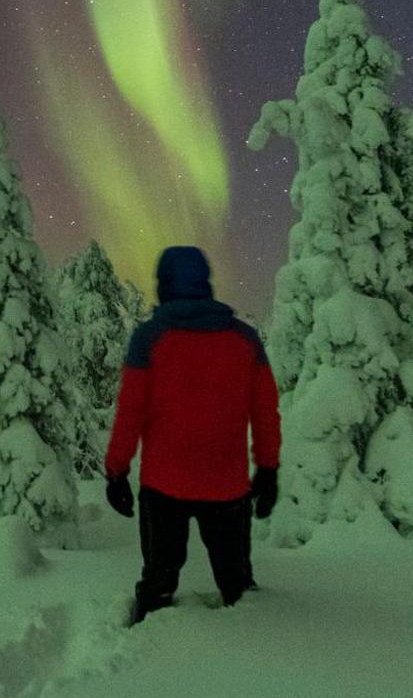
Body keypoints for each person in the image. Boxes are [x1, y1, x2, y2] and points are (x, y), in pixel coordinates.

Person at [104, 245, 280, 624]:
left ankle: (143, 664)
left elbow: (130, 413)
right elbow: (265, 410)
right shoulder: (244, 339)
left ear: (164, 286)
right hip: (227, 488)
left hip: (163, 488)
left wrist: (116, 470)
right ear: (206, 284)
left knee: (158, 584)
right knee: (237, 585)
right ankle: (256, 661)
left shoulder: (148, 339)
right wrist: (268, 468)